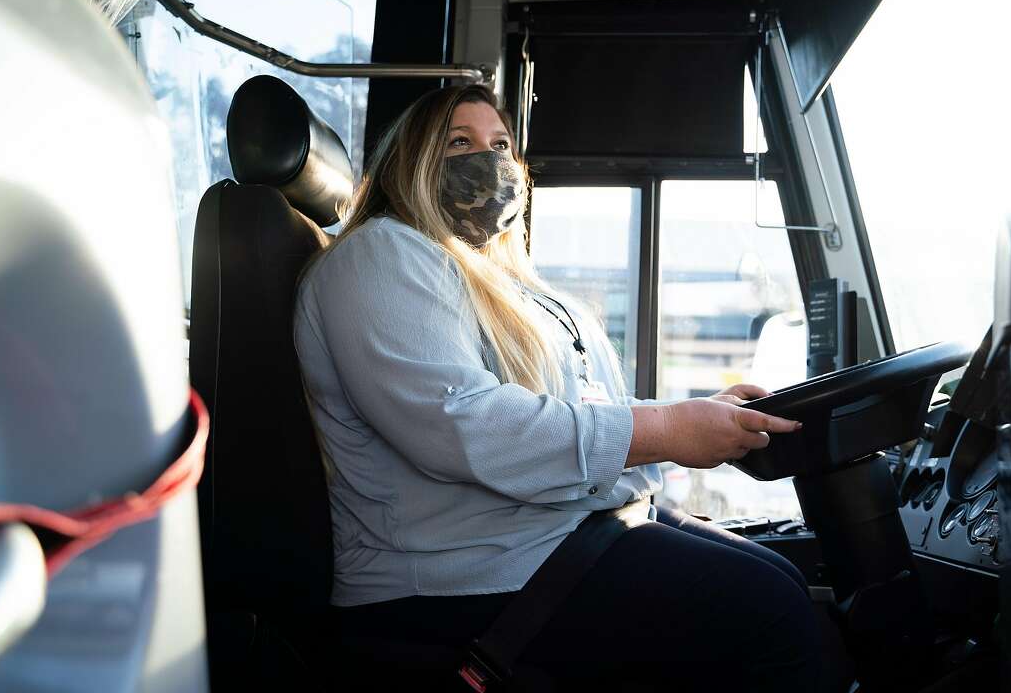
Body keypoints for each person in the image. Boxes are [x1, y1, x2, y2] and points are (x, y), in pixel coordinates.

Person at [293, 84, 822, 690]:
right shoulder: (382, 255)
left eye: (501, 144)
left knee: (783, 580)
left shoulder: (502, 282)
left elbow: (574, 410)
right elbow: (461, 423)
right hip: (454, 574)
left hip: (547, 539)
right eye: (459, 143)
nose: (488, 161)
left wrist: (689, 415)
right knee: (773, 617)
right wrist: (668, 431)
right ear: (407, 162)